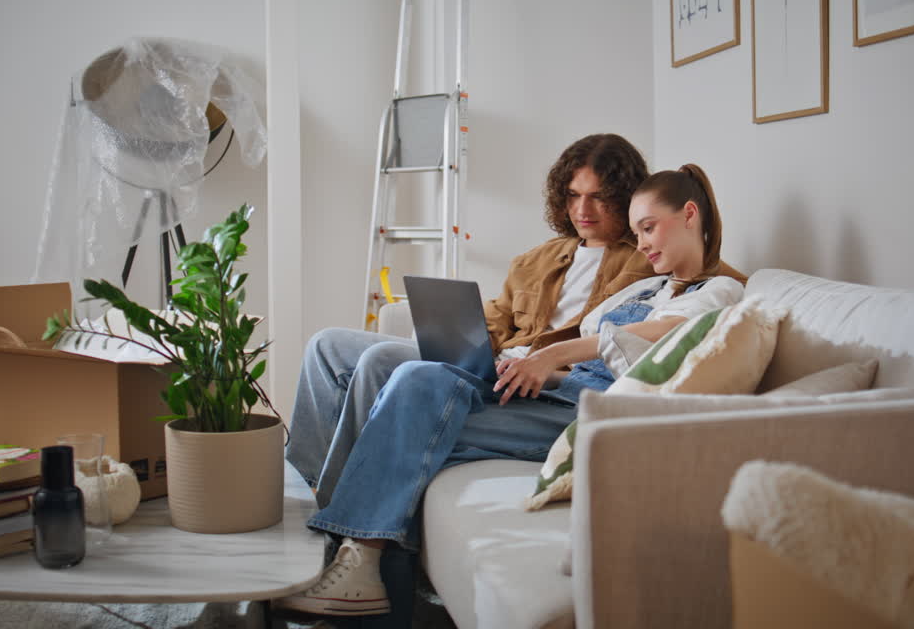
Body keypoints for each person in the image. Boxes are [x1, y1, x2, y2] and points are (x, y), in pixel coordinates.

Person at [277, 164, 746, 618]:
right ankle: (354, 563)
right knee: (413, 380)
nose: (642, 244)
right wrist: (522, 363)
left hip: (594, 415)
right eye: (637, 232)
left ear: (689, 214)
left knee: (415, 389)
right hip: (561, 393)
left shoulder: (721, 291)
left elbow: (662, 334)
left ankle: (355, 556)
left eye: (649, 228)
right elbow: (583, 348)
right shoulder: (648, 288)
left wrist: (549, 357)